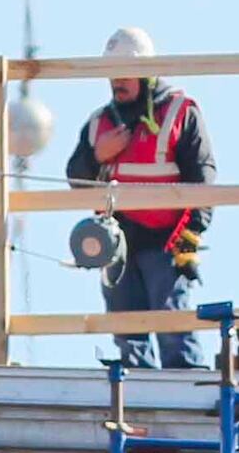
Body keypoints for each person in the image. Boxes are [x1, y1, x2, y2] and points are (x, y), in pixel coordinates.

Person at [66, 28, 212, 370]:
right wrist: (96, 155)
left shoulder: (180, 112)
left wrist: (190, 237)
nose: (117, 81)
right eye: (112, 74)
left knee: (173, 326)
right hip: (117, 245)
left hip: (166, 241)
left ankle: (187, 396)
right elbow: (75, 178)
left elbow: (204, 181)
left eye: (125, 73)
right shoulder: (99, 123)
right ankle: (136, 401)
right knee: (127, 331)